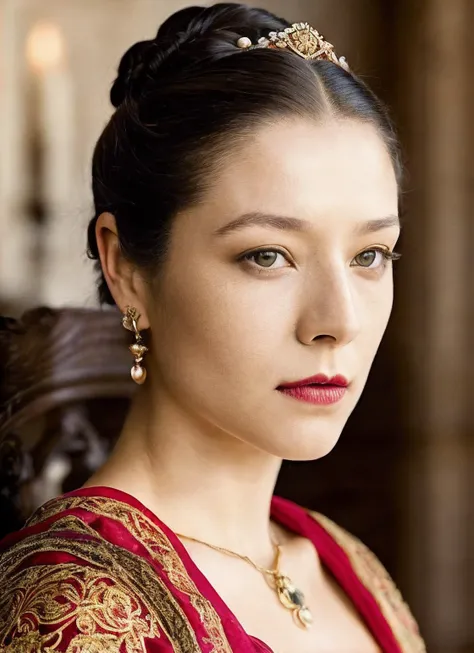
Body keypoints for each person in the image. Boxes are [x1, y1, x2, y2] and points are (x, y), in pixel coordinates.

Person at [0, 4, 425, 652]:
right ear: (126, 266)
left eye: (369, 256)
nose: (338, 322)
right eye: (267, 255)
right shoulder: (76, 611)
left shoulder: (344, 565)